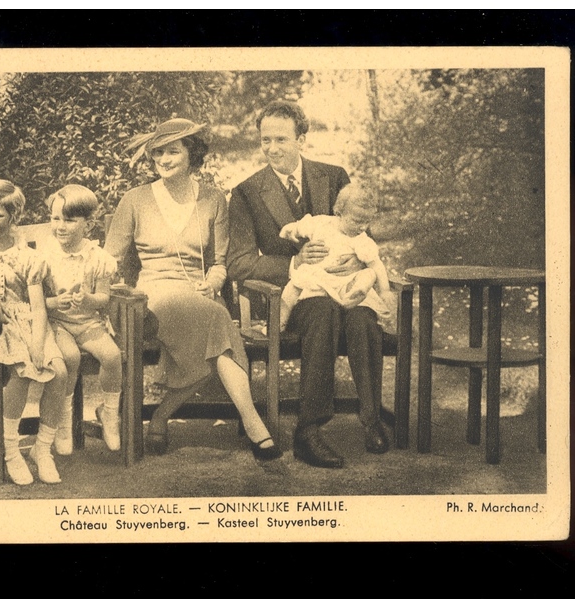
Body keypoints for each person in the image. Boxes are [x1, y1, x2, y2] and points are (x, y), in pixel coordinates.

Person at [105, 118, 281, 461]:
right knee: (219, 322)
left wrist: (214, 281)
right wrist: (107, 301)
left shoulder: (213, 199)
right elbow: (108, 260)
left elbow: (219, 262)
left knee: (216, 335)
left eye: (173, 151)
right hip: (151, 296)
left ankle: (159, 417)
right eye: (158, 153)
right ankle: (254, 423)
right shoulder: (135, 199)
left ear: (192, 154)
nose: (164, 159)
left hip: (198, 296)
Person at [228, 100, 387, 468]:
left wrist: (357, 260)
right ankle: (309, 431)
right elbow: (239, 262)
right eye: (265, 140)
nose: (272, 149)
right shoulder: (247, 192)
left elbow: (363, 232)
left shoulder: (333, 177)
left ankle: (371, 417)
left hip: (344, 285)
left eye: (281, 139)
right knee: (322, 311)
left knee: (363, 318)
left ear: (302, 138)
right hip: (293, 295)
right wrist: (294, 262)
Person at [0, 180, 69, 486]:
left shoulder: (27, 254)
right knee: (22, 372)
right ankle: (9, 449)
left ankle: (42, 449)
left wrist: (37, 343)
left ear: (13, 217)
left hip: (28, 321)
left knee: (58, 371)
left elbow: (37, 306)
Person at [38, 184, 123, 453]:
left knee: (112, 356)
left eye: (69, 220)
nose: (60, 226)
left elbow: (103, 299)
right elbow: (34, 301)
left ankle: (109, 413)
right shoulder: (43, 256)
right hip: (57, 322)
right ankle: (63, 422)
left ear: (87, 225)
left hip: (88, 322)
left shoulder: (97, 258)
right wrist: (54, 302)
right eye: (55, 218)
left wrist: (87, 299)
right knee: (71, 358)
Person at [277, 183, 395, 333]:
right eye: (357, 221)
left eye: (367, 221)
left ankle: (355, 294)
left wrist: (385, 290)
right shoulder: (321, 223)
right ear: (339, 213)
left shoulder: (361, 240)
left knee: (369, 274)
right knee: (293, 286)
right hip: (319, 278)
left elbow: (376, 264)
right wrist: (290, 230)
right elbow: (301, 226)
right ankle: (279, 322)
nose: (363, 227)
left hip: (345, 283)